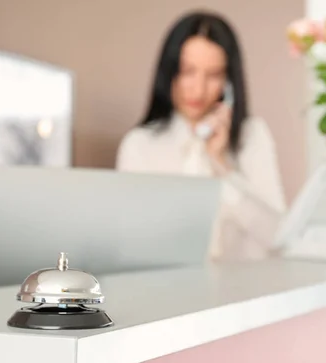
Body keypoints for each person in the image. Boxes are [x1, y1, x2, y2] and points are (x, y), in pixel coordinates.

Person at [116, 10, 286, 261]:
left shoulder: (252, 135)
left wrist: (222, 167)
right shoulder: (140, 145)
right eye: (187, 71)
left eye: (214, 75)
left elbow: (278, 237)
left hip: (243, 291)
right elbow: (129, 243)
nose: (198, 88)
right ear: (169, 72)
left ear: (228, 83)